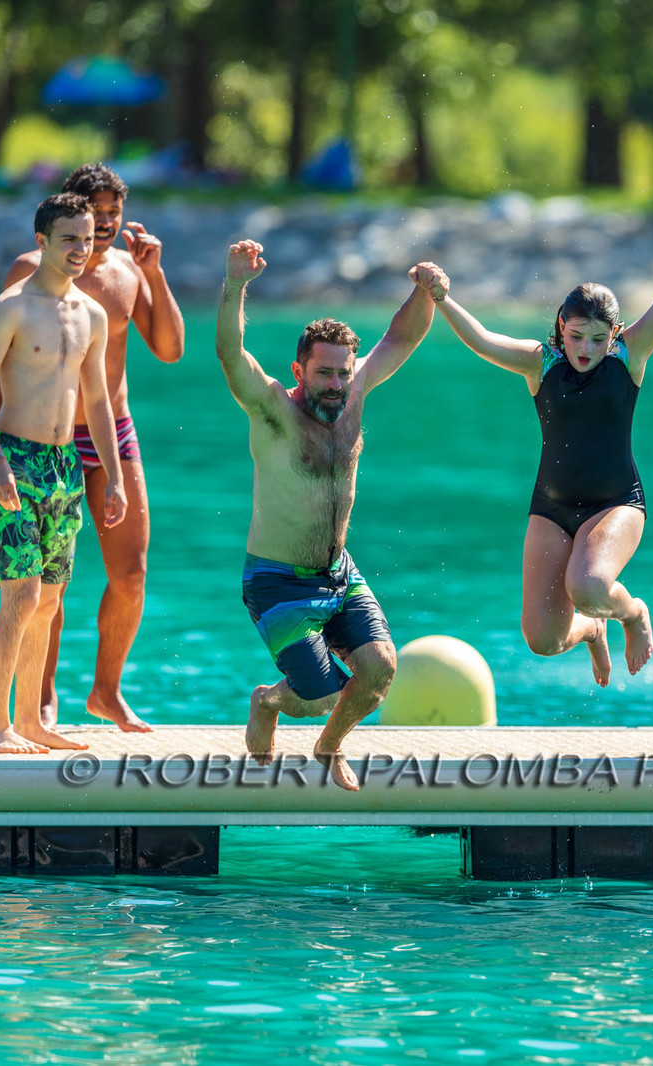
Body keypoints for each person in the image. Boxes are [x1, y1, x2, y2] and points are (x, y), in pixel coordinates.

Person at [427, 182, 653, 682]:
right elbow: (483, 342)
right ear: (560, 326)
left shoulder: (629, 356)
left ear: (613, 335)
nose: (586, 349)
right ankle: (593, 632)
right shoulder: (540, 363)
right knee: (543, 639)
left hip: (616, 502)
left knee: (590, 586)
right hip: (551, 508)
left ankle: (633, 613)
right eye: (576, 337)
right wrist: (442, 298)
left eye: (597, 339)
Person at [220, 239, 444, 791]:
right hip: (275, 579)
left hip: (338, 571)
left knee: (379, 669)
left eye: (344, 372)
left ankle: (329, 747)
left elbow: (404, 335)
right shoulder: (273, 410)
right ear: (300, 369)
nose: (337, 384)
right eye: (324, 374)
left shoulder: (356, 391)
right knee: (318, 695)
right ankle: (270, 701)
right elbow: (231, 355)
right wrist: (235, 287)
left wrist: (423, 292)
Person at [2, 163, 185, 734]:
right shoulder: (31, 270)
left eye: (113, 213)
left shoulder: (130, 272)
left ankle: (106, 692)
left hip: (112, 434)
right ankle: (42, 695)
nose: (104, 224)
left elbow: (170, 350)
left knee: (131, 574)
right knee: (49, 581)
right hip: (41, 436)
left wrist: (155, 275)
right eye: (94, 213)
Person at [0, 193, 126, 754]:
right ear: (41, 242)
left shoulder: (92, 315)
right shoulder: (11, 306)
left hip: (65, 468)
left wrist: (115, 477)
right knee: (22, 595)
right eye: (69, 239)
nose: (82, 249)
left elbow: (99, 403)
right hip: (12, 460)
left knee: (52, 601)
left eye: (87, 238)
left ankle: (30, 721)